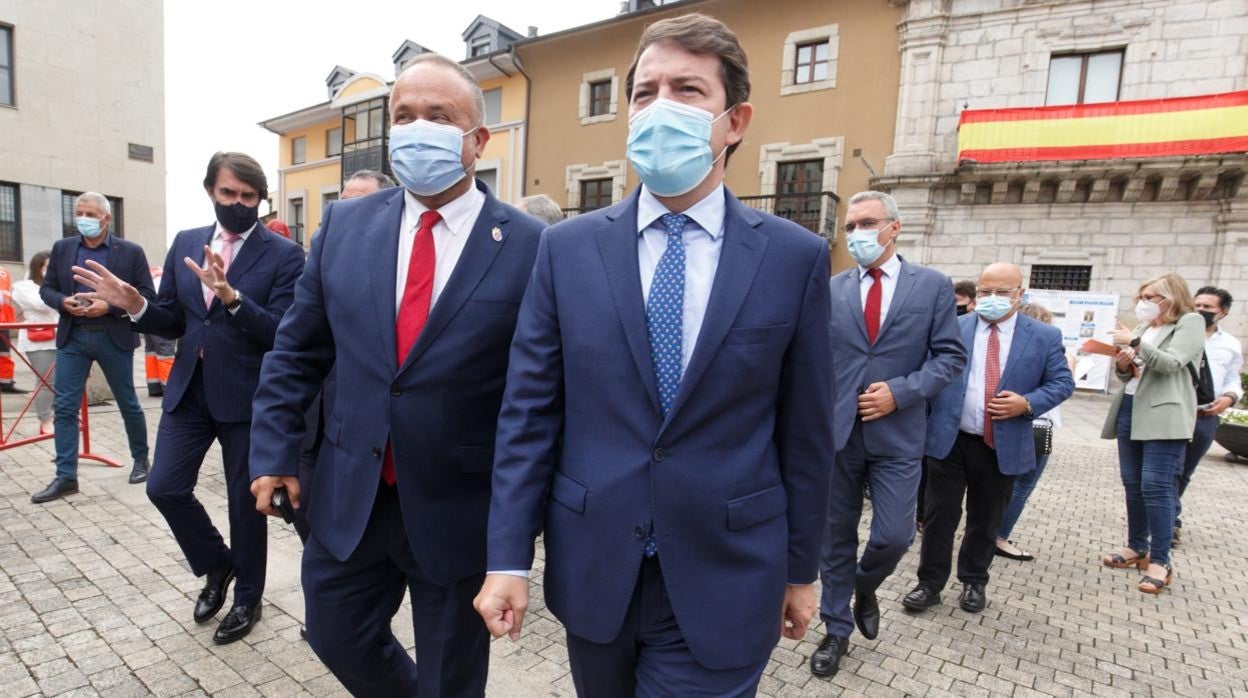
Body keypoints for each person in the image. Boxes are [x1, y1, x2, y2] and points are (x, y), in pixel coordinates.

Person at [474, 15, 835, 695]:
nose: (660, 106)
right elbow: (528, 414)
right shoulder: (567, 250)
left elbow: (807, 433)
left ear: (735, 120)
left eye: (688, 90)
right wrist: (508, 559)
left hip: (727, 574)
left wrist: (800, 569)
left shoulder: (794, 259)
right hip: (595, 569)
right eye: (646, 92)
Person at [247, 54, 544, 696]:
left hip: (458, 508)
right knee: (333, 634)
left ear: (477, 139)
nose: (418, 129)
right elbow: (297, 351)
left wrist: (517, 538)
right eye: (404, 116)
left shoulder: (530, 246)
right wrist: (273, 452)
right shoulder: (345, 226)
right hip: (352, 491)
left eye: (440, 117)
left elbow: (538, 396)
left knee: (452, 677)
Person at [73, 152, 306, 643]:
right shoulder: (186, 242)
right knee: (164, 486)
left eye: (249, 196)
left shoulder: (285, 255)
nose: (239, 204)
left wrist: (231, 298)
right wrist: (134, 304)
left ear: (260, 200)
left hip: (248, 397)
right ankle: (217, 565)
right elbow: (174, 320)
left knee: (248, 508)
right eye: (229, 194)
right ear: (210, 192)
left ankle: (248, 601)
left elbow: (281, 332)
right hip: (189, 390)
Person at [811, 191, 965, 678]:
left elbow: (949, 357)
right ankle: (836, 630)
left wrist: (900, 392)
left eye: (865, 222)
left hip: (898, 434)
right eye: (850, 224)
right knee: (835, 538)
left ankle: (864, 586)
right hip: (837, 435)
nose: (854, 232)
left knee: (894, 536)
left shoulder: (932, 286)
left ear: (893, 228)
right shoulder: (829, 287)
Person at [904, 263, 1073, 615]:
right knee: (939, 517)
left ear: (1019, 294)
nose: (991, 299)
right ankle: (929, 583)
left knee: (986, 518)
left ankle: (973, 582)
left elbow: (1062, 383)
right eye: (985, 292)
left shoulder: (1043, 337)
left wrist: (1027, 403)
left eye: (1002, 292)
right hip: (949, 441)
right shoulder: (954, 328)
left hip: (1001, 443)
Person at [33, 192, 154, 503]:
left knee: (128, 402)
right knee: (65, 407)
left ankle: (141, 461)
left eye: (90, 213)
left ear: (106, 218)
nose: (83, 218)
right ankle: (65, 476)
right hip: (73, 335)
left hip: (112, 334)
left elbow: (146, 295)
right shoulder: (62, 249)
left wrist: (109, 306)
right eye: (79, 212)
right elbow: (47, 289)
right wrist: (63, 302)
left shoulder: (130, 252)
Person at [1099, 273, 1205, 594]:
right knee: (1132, 482)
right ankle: (1136, 547)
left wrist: (1134, 343)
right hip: (1131, 407)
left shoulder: (1190, 321)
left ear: (1171, 297)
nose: (1144, 303)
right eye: (1141, 297)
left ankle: (1161, 560)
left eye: (1151, 297)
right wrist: (1122, 361)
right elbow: (1131, 372)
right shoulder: (1145, 327)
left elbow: (1172, 364)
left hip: (1165, 413)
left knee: (1155, 485)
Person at [994, 302, 1074, 561]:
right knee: (1022, 486)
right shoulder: (1044, 347)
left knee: (1003, 484)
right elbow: (1062, 386)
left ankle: (989, 532)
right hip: (1037, 424)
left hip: (1012, 423)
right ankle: (999, 536)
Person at [1173, 286, 1243, 543]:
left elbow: (1232, 379)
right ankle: (1170, 520)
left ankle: (1167, 516)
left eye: (1208, 307)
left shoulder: (1230, 344)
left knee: (1185, 471)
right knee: (1172, 468)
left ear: (1222, 312)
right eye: (1198, 305)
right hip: (1176, 413)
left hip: (1205, 417)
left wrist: (1230, 397)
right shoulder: (1179, 333)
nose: (1201, 310)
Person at [10, 251, 57, 433]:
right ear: (38, 268)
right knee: (47, 381)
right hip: (39, 340)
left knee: (65, 381)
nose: (51, 271)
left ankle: (61, 417)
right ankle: (45, 420)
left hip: (63, 337)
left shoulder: (58, 286)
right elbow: (42, 304)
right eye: (47, 267)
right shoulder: (24, 286)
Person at [142, 266, 176, 397]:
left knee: (151, 351)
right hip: (161, 315)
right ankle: (170, 388)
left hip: (147, 315)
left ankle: (154, 386)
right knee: (165, 352)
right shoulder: (165, 277)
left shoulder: (151, 273)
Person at [0, 263, 27, 393]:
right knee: (4, 353)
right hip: (4, 320)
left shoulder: (3, 271)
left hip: (4, 320)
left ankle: (5, 382)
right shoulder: (4, 271)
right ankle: (5, 383)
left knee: (4, 353)